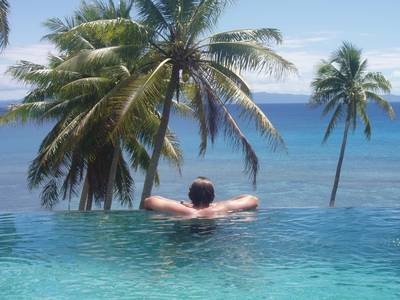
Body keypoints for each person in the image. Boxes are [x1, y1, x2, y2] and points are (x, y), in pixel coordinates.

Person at [144, 177, 259, 217]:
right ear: (212, 196)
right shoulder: (220, 208)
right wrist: (220, 204)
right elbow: (252, 199)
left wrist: (181, 204)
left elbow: (149, 201)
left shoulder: (185, 211)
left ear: (190, 195)